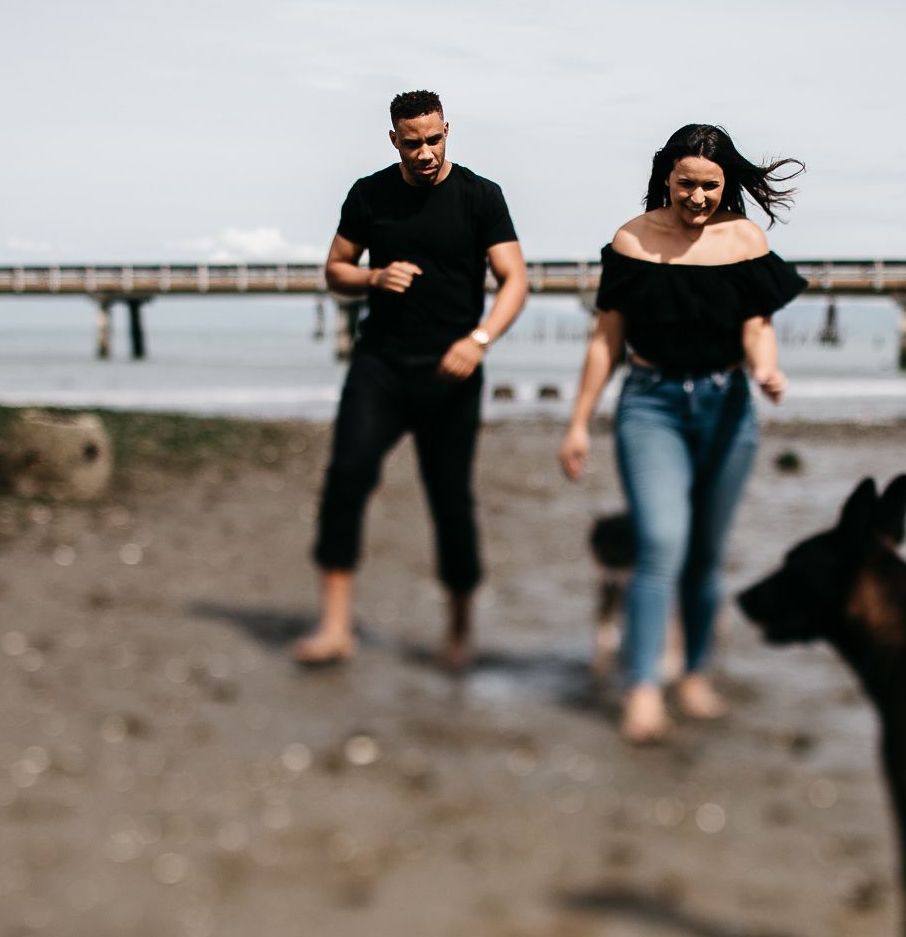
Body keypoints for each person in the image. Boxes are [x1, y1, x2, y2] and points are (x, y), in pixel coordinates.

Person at [559, 124, 804, 742]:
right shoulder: (633, 241)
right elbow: (606, 339)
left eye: (710, 187)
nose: (697, 198)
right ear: (666, 177)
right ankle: (642, 688)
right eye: (686, 184)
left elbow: (757, 326)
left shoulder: (745, 239)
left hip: (728, 406)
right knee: (661, 544)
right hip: (652, 405)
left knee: (704, 557)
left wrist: (768, 369)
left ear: (727, 185)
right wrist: (579, 422)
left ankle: (694, 674)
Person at [294, 90, 528, 671]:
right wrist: (373, 278)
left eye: (434, 140)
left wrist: (478, 342)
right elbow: (335, 270)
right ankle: (336, 626)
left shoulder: (481, 197)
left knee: (449, 498)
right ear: (394, 139)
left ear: (447, 131)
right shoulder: (369, 194)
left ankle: (458, 631)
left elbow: (514, 279)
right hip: (381, 364)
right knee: (346, 477)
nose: (425, 153)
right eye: (412, 142)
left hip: (452, 368)